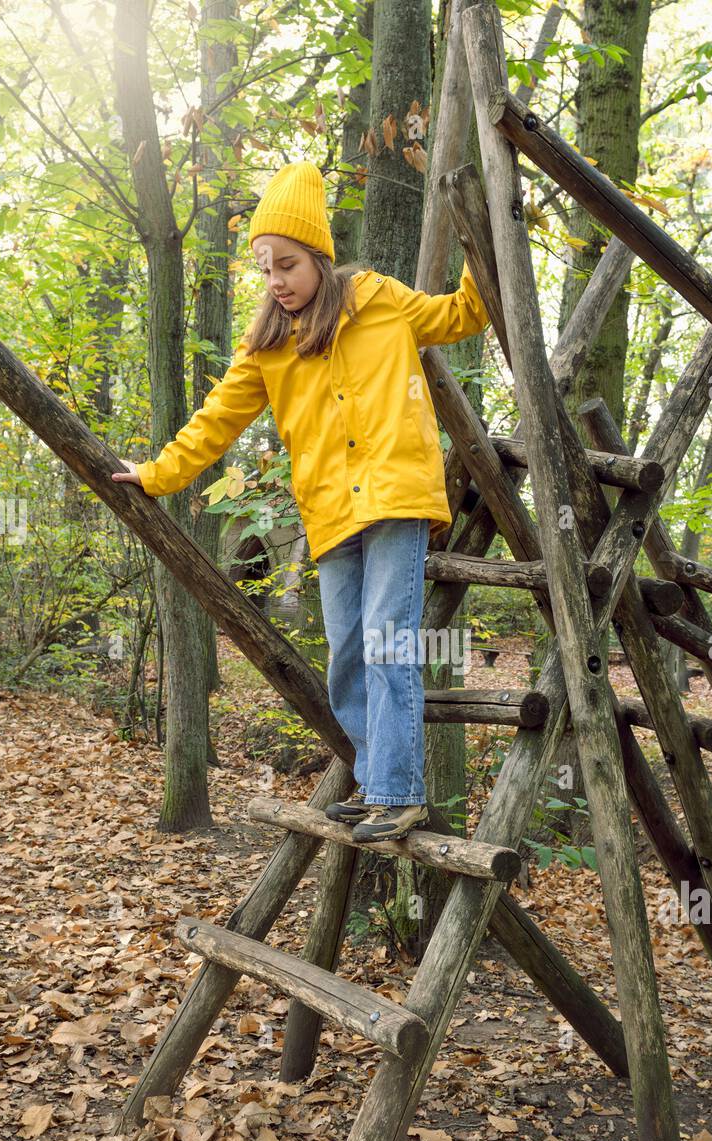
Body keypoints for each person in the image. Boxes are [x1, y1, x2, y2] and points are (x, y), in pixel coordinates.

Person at [112, 160, 490, 841]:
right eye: (263, 268)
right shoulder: (266, 346)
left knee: (387, 640)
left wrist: (479, 235)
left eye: (286, 263)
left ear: (318, 255)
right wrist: (159, 474)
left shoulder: (378, 299)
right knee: (347, 650)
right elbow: (215, 421)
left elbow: (463, 313)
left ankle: (401, 792)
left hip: (397, 497)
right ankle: (378, 782)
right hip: (329, 511)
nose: (275, 281)